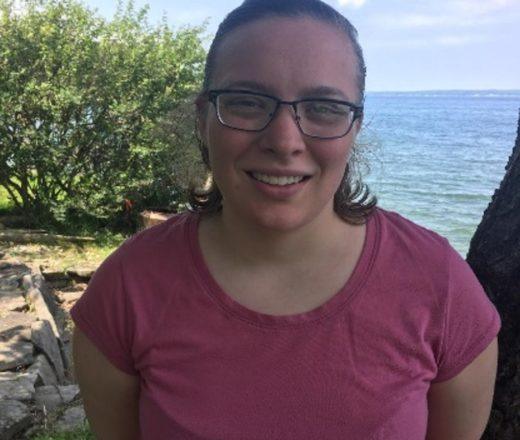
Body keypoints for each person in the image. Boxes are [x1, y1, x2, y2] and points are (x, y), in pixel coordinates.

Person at [71, 0, 501, 439]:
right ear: (203, 119)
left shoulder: (441, 288)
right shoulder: (127, 289)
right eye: (247, 102)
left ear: (355, 127)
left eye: (323, 107)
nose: (284, 140)